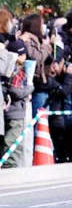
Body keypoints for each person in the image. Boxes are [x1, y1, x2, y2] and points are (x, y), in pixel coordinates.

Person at [2, 40, 33, 169]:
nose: (25, 57)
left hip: (14, 110)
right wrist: (30, 88)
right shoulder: (15, 69)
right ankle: (9, 167)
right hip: (15, 112)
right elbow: (15, 91)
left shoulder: (12, 68)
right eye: (23, 54)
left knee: (15, 143)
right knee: (12, 142)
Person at [19, 13, 52, 117]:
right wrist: (46, 46)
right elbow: (37, 57)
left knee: (43, 122)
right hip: (33, 84)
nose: (43, 27)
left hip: (43, 84)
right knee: (39, 121)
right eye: (42, 24)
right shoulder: (27, 40)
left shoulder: (40, 40)